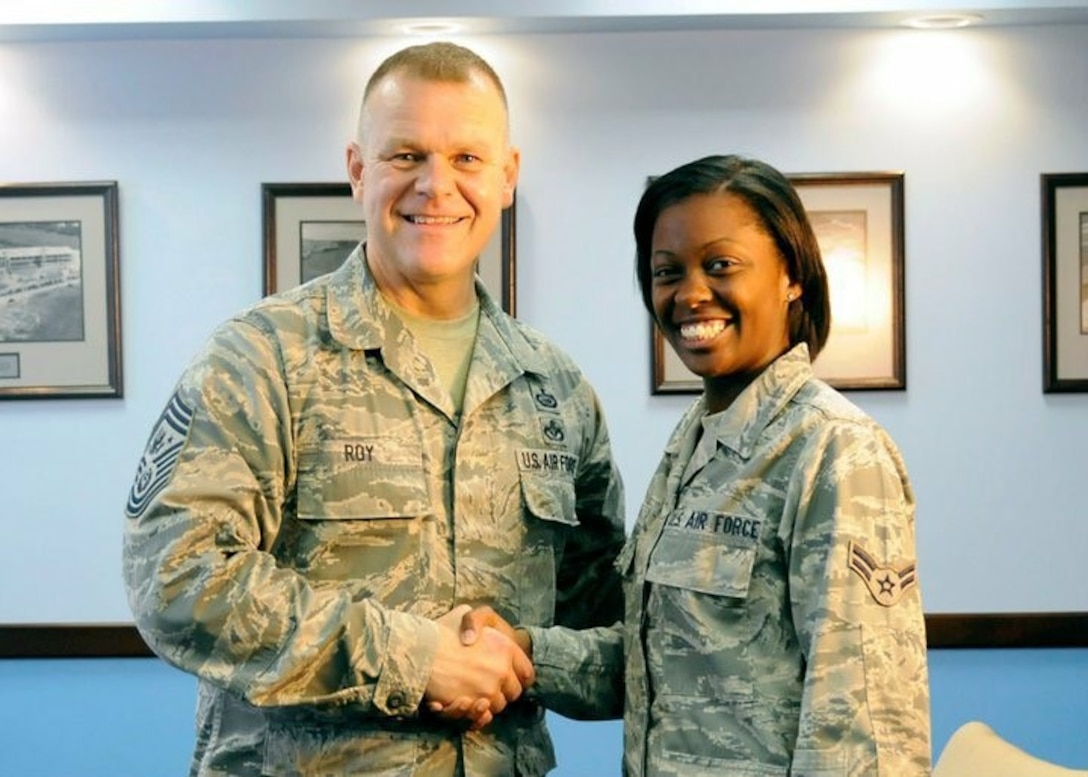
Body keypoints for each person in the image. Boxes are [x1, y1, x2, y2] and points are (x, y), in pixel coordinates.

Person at [122, 41, 626, 777]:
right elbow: (175, 577)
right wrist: (413, 658)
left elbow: (611, 625)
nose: (436, 186)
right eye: (407, 155)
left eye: (467, 159)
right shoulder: (264, 357)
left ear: (508, 175)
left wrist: (524, 653)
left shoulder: (553, 387)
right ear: (358, 169)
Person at [621, 154, 931, 775]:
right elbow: (659, 657)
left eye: (720, 265)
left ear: (792, 275)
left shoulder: (834, 449)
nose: (689, 293)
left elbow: (864, 731)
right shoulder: (693, 445)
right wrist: (523, 652)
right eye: (665, 272)